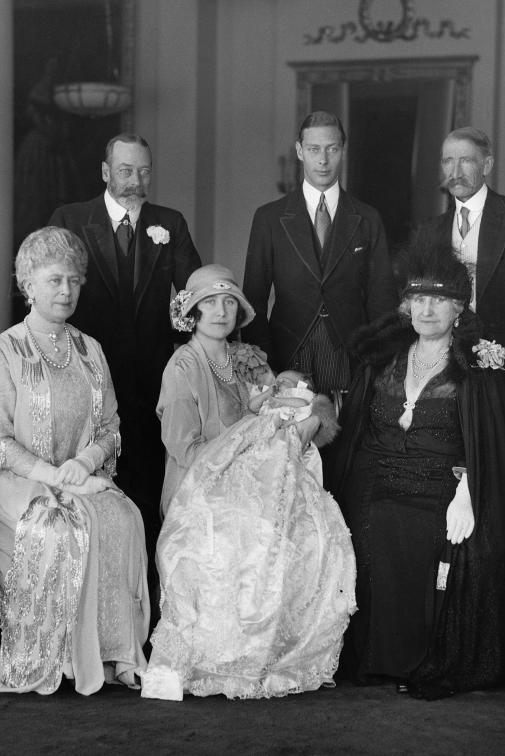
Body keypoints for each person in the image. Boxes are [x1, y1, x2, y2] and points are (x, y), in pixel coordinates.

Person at [141, 264, 354, 701]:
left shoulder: (249, 360)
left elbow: (295, 406)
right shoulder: (181, 367)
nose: (220, 311)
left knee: (306, 530)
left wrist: (304, 419)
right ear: (193, 313)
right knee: (246, 533)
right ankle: (221, 658)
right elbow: (185, 449)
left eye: (228, 302)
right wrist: (250, 436)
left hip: (257, 485)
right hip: (198, 491)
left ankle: (269, 653)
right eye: (209, 303)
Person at [330, 235, 505, 699]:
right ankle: (375, 659)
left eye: (440, 300)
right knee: (368, 522)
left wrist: (469, 488)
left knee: (421, 529)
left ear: (460, 308)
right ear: (406, 306)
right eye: (418, 299)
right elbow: (356, 431)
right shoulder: (382, 358)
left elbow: (489, 445)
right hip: (375, 475)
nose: (427, 310)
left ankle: (416, 659)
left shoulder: (476, 365)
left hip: (443, 482)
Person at [0, 226, 149, 695]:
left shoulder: (91, 350)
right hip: (7, 481)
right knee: (56, 525)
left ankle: (117, 652)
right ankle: (56, 656)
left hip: (77, 476)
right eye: (53, 280)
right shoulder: (0, 352)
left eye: (73, 280)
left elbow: (111, 426)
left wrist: (84, 464)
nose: (66, 291)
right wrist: (52, 477)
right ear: (28, 284)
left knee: (122, 517)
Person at [48, 133, 201, 568]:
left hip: (151, 380)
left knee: (146, 483)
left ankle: (145, 594)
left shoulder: (169, 222)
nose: (136, 180)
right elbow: (49, 289)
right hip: (84, 375)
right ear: (105, 172)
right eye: (126, 170)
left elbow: (193, 293)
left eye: (144, 171)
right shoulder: (71, 218)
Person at [242, 111, 397, 395]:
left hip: (351, 354)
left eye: (332, 149)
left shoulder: (367, 218)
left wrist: (379, 363)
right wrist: (262, 362)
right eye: (314, 149)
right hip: (287, 353)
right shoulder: (270, 218)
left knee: (349, 436)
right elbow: (253, 298)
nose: (323, 160)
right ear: (300, 151)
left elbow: (382, 298)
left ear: (343, 151)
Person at [417, 127, 505, 377]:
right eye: (448, 161)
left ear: (487, 165)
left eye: (466, 161)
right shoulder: (431, 230)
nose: (455, 172)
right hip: (445, 368)